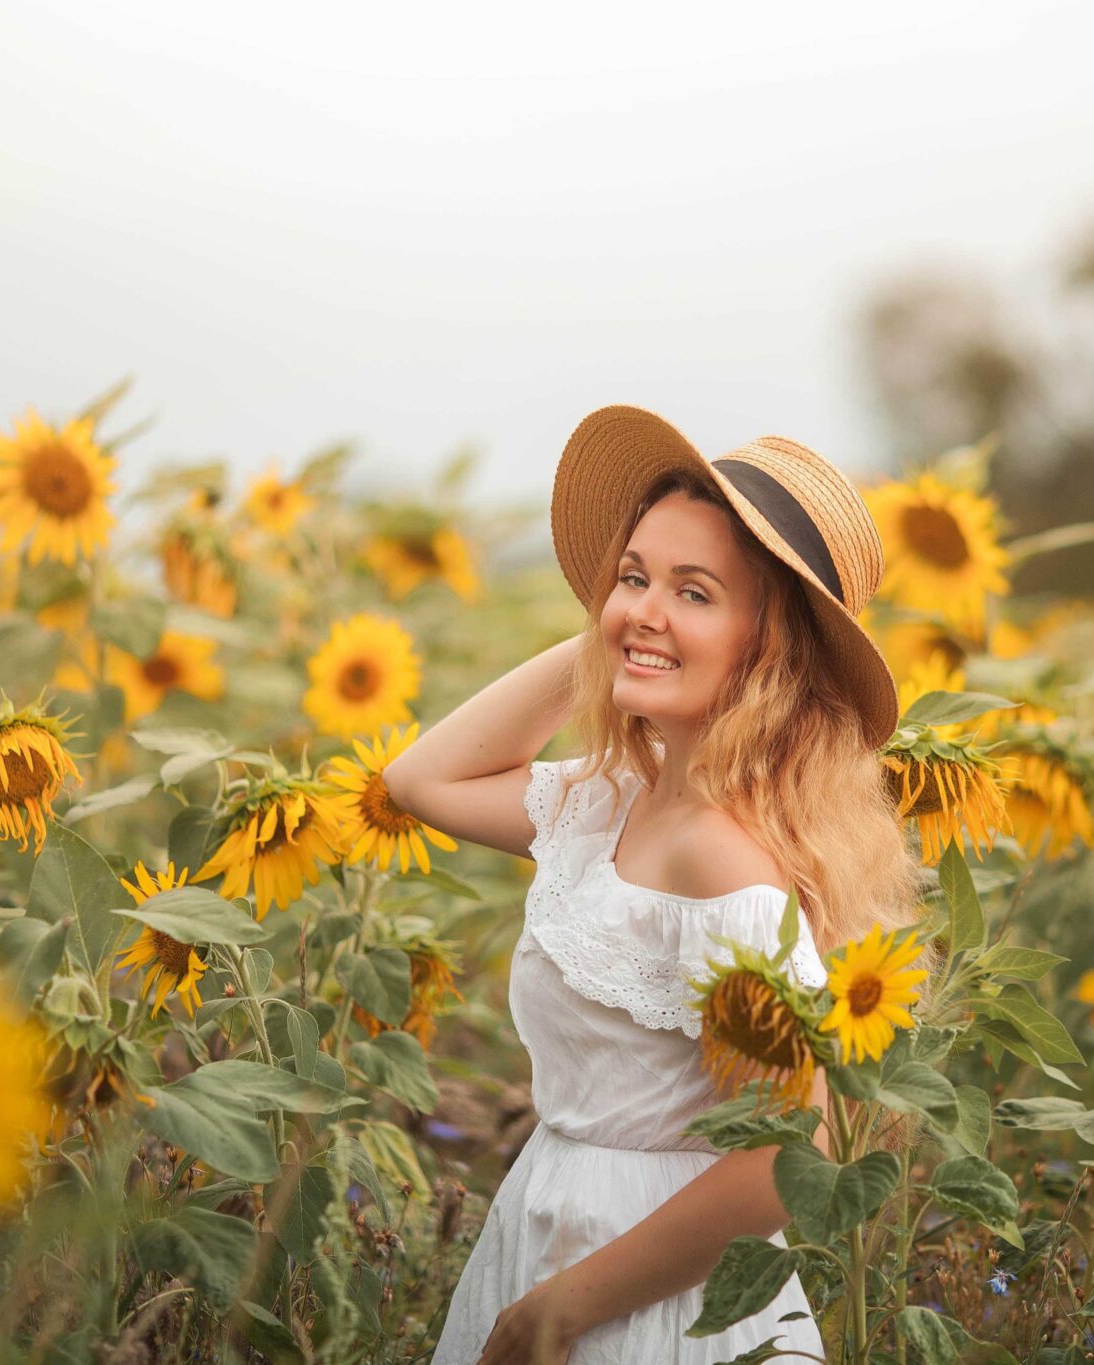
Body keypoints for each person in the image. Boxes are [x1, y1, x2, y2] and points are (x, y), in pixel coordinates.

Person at [383, 404, 929, 1364]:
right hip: (556, 1233)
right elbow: (420, 781)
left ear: (773, 646)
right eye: (632, 574)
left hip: (652, 1297)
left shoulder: (720, 856)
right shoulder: (615, 805)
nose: (645, 607)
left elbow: (779, 1162)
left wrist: (561, 1309)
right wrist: (628, 626)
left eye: (698, 591)